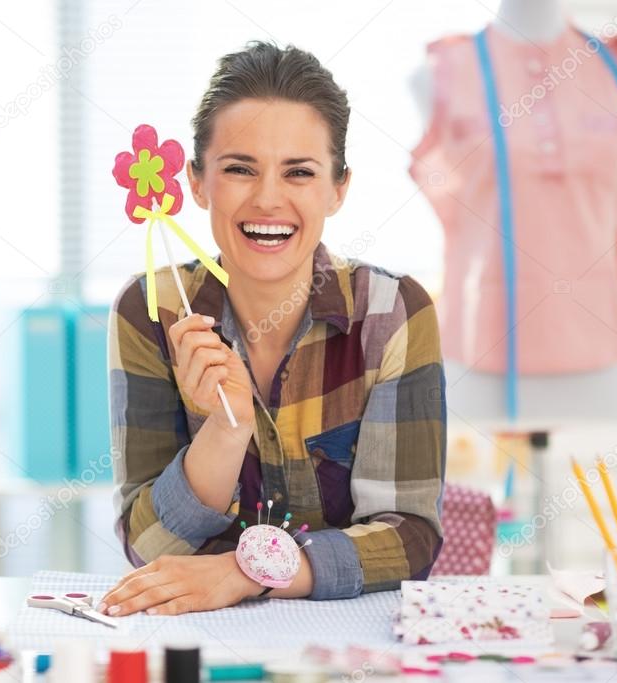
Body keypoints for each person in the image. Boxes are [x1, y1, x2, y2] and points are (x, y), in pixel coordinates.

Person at [101, 41, 446, 617]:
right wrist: (224, 432)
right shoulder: (150, 310)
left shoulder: (393, 312)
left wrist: (247, 572)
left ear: (338, 189)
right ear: (197, 182)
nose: (267, 198)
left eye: (299, 173)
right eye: (239, 169)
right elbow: (148, 545)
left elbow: (409, 539)